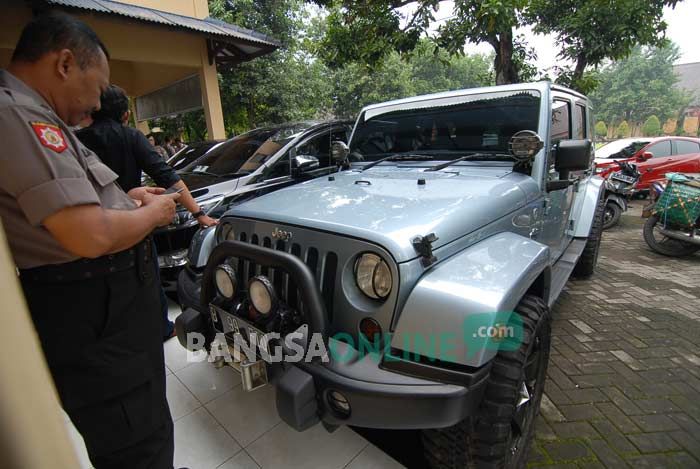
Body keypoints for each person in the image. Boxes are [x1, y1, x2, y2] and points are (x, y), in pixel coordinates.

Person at [0, 12, 183, 469]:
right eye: (98, 87)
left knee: (147, 425)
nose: (98, 101)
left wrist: (129, 198)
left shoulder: (43, 116)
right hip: (96, 315)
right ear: (65, 64)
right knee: (134, 440)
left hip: (108, 314)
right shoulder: (19, 116)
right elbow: (90, 233)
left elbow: (82, 204)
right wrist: (155, 212)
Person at [77, 84, 217, 340]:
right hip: (133, 224)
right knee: (147, 280)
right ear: (126, 114)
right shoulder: (130, 136)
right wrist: (199, 214)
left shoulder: (78, 141)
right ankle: (162, 329)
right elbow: (168, 177)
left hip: (94, 226)